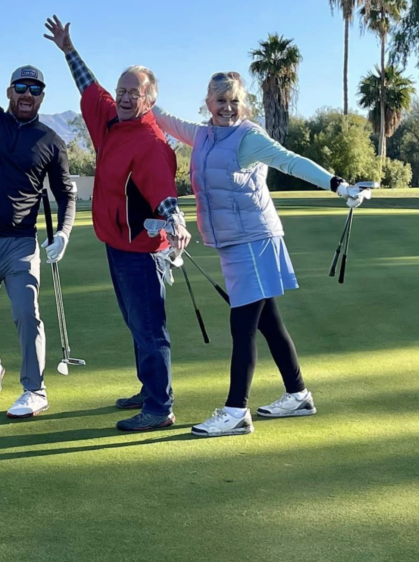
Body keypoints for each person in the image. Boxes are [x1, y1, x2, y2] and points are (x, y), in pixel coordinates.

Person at [151, 71, 369, 437]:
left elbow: (291, 161)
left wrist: (338, 185)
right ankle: (298, 395)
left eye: (235, 101)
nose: (228, 107)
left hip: (255, 239)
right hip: (234, 242)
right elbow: (163, 119)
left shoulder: (249, 136)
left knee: (243, 326)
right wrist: (137, 97)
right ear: (208, 103)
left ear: (243, 103)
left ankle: (236, 410)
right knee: (269, 323)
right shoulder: (201, 135)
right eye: (221, 100)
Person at [44, 16, 193, 432]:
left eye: (135, 92)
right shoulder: (112, 120)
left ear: (150, 99)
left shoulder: (150, 143)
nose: (125, 97)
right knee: (136, 323)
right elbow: (89, 87)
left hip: (143, 252)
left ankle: (160, 408)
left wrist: (175, 219)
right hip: (117, 245)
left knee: (149, 328)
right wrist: (69, 49)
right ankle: (151, 390)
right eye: (122, 89)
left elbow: (163, 192)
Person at [0, 0, 76, 419]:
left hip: (21, 245)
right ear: (10, 91)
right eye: (21, 86)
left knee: (27, 314)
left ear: (42, 97)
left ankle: (35, 389)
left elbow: (66, 194)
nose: (28, 93)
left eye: (36, 89)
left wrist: (63, 233)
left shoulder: (51, 141)